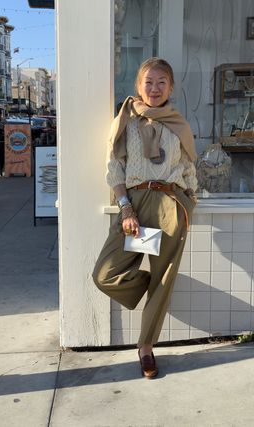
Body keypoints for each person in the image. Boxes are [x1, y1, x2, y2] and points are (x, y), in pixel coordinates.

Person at [92, 57, 198, 379]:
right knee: (105, 274)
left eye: (161, 82)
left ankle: (146, 348)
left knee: (164, 278)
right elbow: (114, 167)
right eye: (148, 82)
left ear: (171, 87)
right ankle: (151, 287)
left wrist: (187, 201)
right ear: (139, 86)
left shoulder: (178, 123)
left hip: (170, 205)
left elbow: (188, 167)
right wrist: (125, 207)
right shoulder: (126, 118)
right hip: (136, 204)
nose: (154, 88)